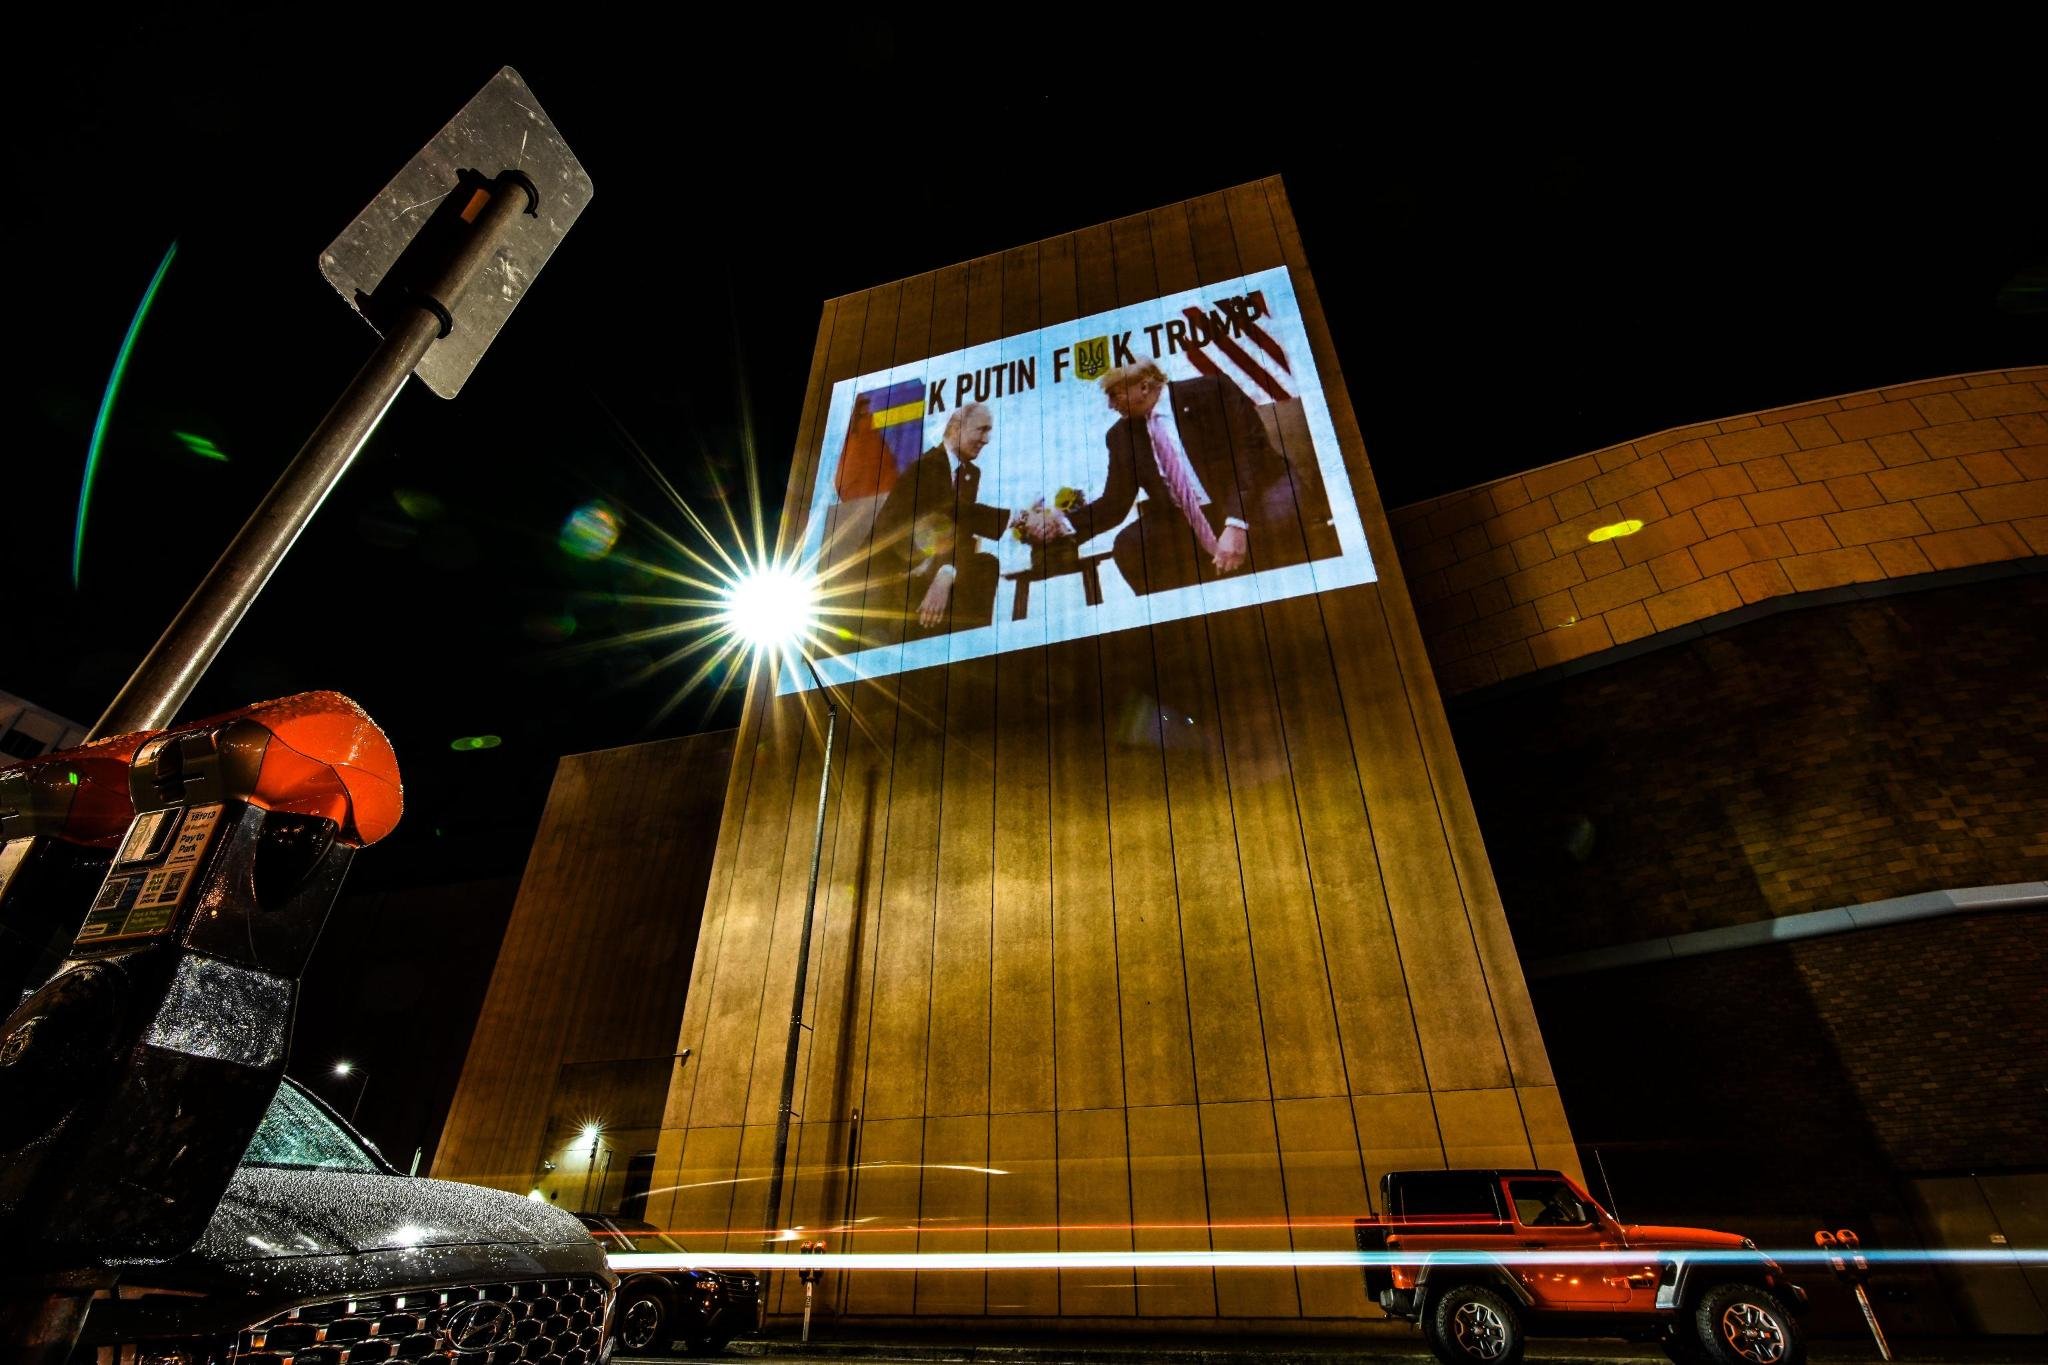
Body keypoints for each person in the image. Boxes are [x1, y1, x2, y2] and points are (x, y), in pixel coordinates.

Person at [1063, 360, 1290, 595]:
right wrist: (1063, 524)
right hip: (1190, 515)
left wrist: (1237, 521)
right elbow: (1115, 501)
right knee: (1130, 545)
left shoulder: (1210, 391)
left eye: (1114, 394)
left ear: (1143, 387)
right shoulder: (1120, 437)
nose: (1110, 405)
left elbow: (1250, 454)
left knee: (1276, 516)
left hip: (1253, 492)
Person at [870, 402, 1010, 634]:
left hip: (931, 568)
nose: (987, 439)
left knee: (986, 563)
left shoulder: (970, 474)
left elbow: (959, 535)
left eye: (989, 431)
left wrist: (946, 573)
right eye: (982, 430)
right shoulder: (927, 467)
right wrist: (1015, 518)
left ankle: (970, 649)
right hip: (895, 574)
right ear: (956, 428)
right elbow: (950, 513)